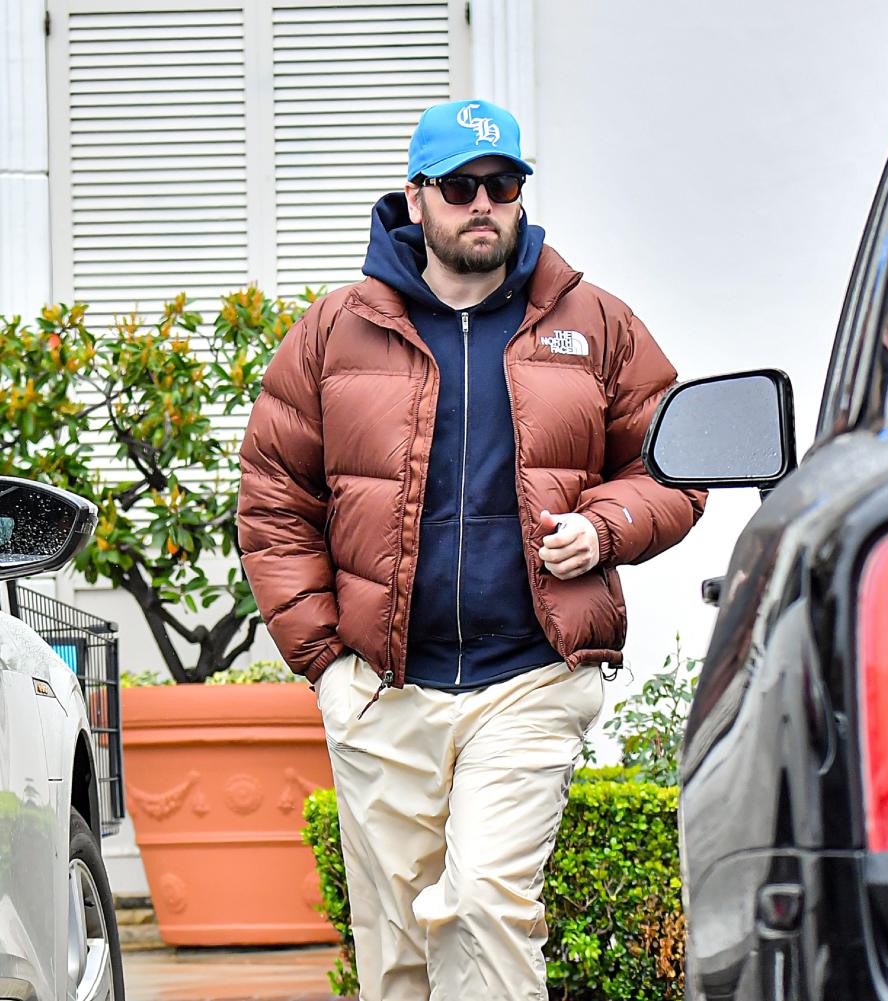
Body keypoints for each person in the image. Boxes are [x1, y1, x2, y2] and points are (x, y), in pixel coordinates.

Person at [237, 98, 706, 1001]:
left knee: (488, 904)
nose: (484, 202)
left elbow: (673, 469)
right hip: (385, 688)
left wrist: (603, 525)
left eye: (503, 184)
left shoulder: (594, 323)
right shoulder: (336, 331)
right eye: (461, 186)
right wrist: (327, 659)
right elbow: (272, 500)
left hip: (532, 675)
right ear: (416, 200)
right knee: (400, 951)